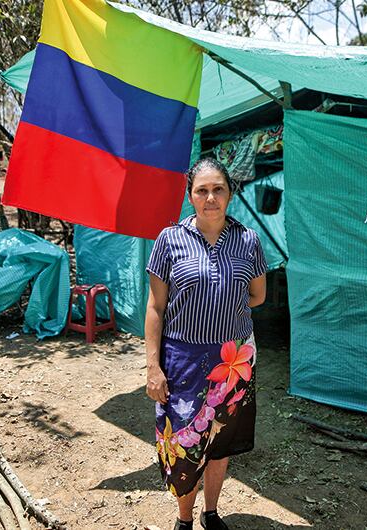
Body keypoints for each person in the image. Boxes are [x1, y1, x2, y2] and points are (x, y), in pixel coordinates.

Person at [145, 157, 267, 530]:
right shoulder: (170, 240)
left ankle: (210, 512)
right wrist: (153, 367)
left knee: (219, 441)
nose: (210, 198)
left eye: (218, 189)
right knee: (185, 447)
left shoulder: (248, 241)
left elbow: (258, 296)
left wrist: (222, 313)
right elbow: (156, 307)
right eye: (202, 190)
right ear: (190, 196)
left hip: (233, 360)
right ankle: (184, 519)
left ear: (230, 194)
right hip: (183, 359)